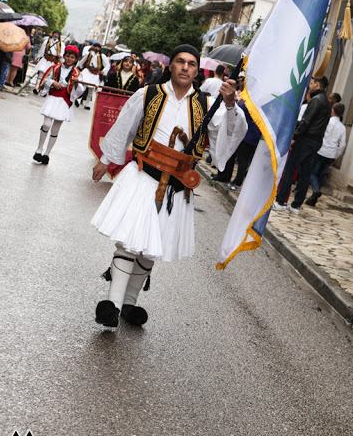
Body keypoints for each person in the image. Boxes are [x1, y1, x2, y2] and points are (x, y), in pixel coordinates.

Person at [91, 44, 247, 329]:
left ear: (197, 71)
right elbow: (125, 126)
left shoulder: (205, 104)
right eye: (180, 62)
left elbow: (231, 134)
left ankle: (130, 303)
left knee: (150, 249)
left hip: (176, 187)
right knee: (130, 241)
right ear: (170, 67)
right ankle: (111, 304)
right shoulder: (148, 94)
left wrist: (229, 104)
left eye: (190, 63)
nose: (185, 67)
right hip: (142, 176)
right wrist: (105, 160)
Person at [273, 75, 331, 214]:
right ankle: (296, 205)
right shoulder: (327, 102)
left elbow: (307, 121)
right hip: (316, 141)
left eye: (311, 83)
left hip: (306, 139)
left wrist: (295, 137)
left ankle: (280, 201)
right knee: (305, 173)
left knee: (290, 168)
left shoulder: (316, 100)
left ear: (317, 84)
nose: (310, 85)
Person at [32, 45, 85, 165]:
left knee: (55, 129)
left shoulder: (77, 73)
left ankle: (47, 154)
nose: (69, 59)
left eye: (72, 57)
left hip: (65, 100)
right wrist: (53, 82)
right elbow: (45, 79)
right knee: (46, 124)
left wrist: (76, 84)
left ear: (75, 59)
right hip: (53, 98)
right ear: (64, 56)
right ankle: (39, 149)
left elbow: (81, 90)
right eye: (67, 56)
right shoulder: (55, 68)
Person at [305, 102, 347, 206]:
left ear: (332, 111)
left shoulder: (326, 122)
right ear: (342, 114)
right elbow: (342, 144)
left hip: (321, 150)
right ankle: (313, 197)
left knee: (313, 172)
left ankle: (315, 191)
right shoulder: (342, 128)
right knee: (321, 175)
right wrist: (337, 155)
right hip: (331, 153)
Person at [76, 41, 110, 109]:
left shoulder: (102, 56)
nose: (96, 48)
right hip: (88, 71)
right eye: (95, 47)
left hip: (95, 73)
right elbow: (82, 61)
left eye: (98, 47)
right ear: (93, 47)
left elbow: (107, 65)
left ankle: (87, 104)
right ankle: (78, 99)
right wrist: (78, 67)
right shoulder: (88, 54)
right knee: (84, 86)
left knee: (91, 89)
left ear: (100, 49)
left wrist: (103, 71)